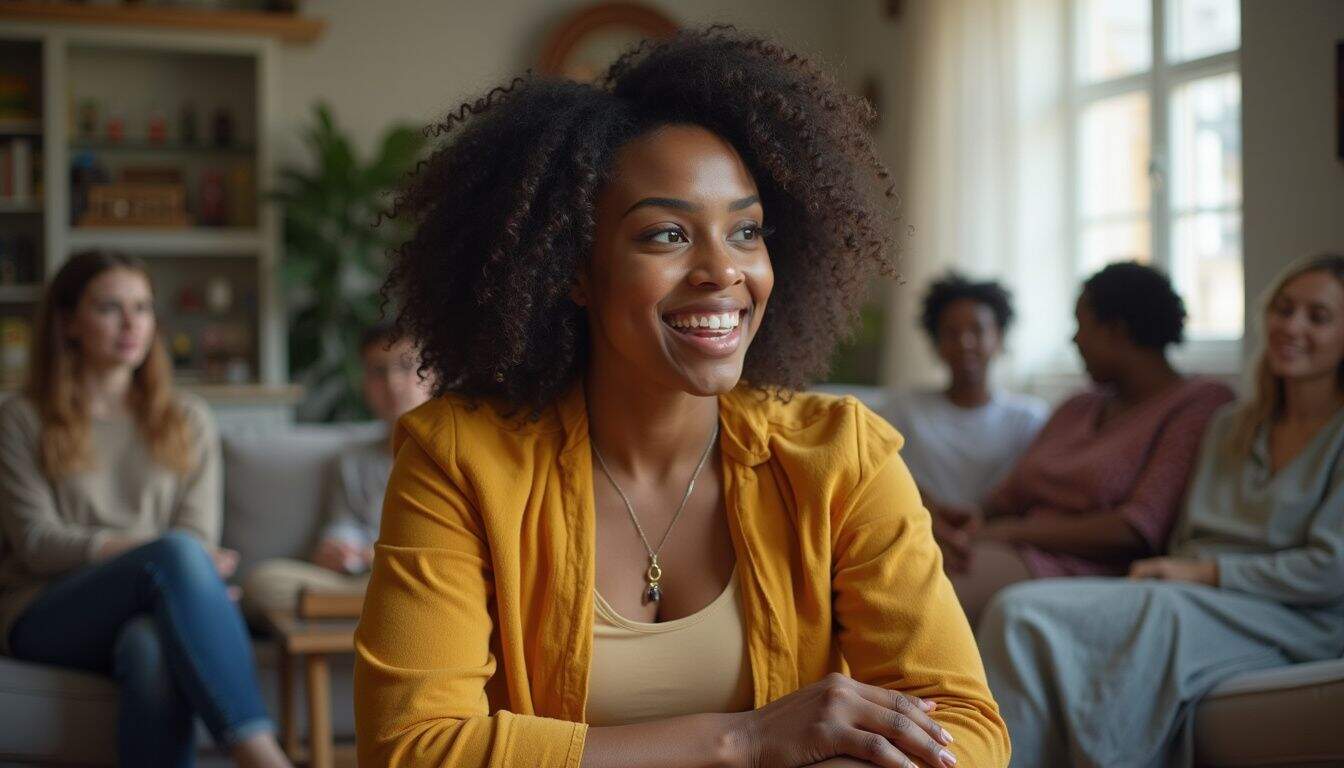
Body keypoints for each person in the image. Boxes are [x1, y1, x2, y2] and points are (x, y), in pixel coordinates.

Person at [354, 28, 1011, 768]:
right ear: (574, 270)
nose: (721, 272)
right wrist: (746, 738)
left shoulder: (841, 457)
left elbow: (965, 728)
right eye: (667, 234)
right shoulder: (459, 460)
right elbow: (411, 749)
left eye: (746, 232)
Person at [978, 252, 1344, 767]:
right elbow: (1186, 537)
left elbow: (1331, 569)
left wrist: (1204, 573)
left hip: (1294, 614)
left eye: (1318, 317)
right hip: (1186, 591)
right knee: (1017, 612)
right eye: (1284, 309)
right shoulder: (1231, 424)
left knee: (1145, 619)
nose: (1292, 326)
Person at [0, 250, 291, 768]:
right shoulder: (21, 419)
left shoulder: (188, 419)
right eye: (110, 308)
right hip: (44, 610)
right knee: (176, 556)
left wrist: (180, 571)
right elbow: (38, 544)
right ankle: (265, 759)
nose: (132, 324)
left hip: (153, 607)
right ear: (68, 322)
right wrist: (163, 561)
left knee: (149, 646)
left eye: (143, 307)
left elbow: (198, 533)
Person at [934, 262, 1236, 625]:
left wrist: (1009, 532)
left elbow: (1137, 529)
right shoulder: (1079, 405)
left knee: (928, 592)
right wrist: (973, 518)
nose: (1074, 340)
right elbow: (1009, 495)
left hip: (1083, 567)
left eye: (1082, 325)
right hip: (1008, 546)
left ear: (1117, 332)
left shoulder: (1197, 404)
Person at [241, 324, 433, 615]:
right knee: (264, 581)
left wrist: (377, 554)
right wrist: (336, 548)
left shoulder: (451, 454)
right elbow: (344, 525)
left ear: (433, 375)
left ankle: (357, 608)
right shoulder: (354, 461)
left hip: (430, 576)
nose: (393, 383)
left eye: (406, 367)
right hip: (365, 581)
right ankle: (383, 609)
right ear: (365, 384)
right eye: (378, 372)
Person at [884, 273, 1047, 514]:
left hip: (993, 536)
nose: (965, 342)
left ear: (999, 339)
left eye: (977, 330)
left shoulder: (1028, 419)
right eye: (951, 332)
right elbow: (885, 479)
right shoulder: (903, 408)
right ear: (936, 343)